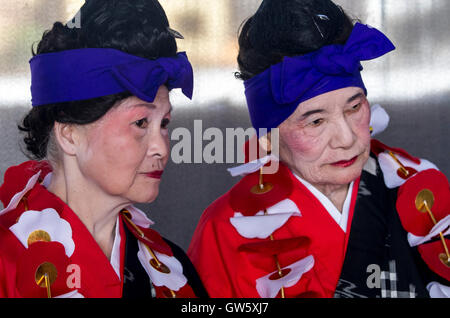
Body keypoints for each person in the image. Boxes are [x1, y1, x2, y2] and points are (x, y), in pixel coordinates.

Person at [188, 0, 449, 298]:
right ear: (268, 137)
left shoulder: (418, 189)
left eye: (354, 107)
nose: (347, 139)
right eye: (315, 121)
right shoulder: (225, 229)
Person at [0, 0, 207, 298]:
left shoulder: (174, 269)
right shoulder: (6, 260)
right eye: (139, 123)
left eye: (164, 124)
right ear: (69, 135)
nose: (161, 148)